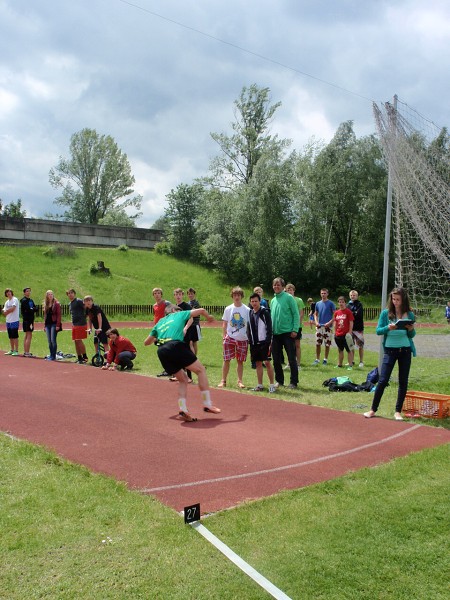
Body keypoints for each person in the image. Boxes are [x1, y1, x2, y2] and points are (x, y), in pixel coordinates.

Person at [144, 303, 220, 422]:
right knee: (201, 370)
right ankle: (207, 404)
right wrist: (209, 317)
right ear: (174, 310)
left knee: (183, 380)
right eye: (178, 310)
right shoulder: (179, 314)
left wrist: (159, 337)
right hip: (175, 345)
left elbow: (146, 342)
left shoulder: (159, 322)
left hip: (162, 351)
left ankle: (183, 409)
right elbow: (201, 310)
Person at [364, 287, 416, 421]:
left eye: (398, 299)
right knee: (383, 380)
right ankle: (372, 409)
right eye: (393, 299)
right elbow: (378, 331)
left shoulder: (409, 314)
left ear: (403, 299)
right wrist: (388, 327)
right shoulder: (385, 313)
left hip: (405, 350)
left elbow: (412, 335)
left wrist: (411, 329)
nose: (395, 302)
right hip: (390, 351)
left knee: (403, 381)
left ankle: (398, 411)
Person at [270, 277, 299, 389]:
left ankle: (293, 382)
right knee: (276, 359)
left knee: (291, 358)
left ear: (283, 287)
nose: (276, 287)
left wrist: (295, 329)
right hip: (275, 334)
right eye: (274, 285)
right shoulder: (273, 300)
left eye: (278, 285)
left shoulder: (289, 298)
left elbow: (295, 314)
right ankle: (280, 381)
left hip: (288, 333)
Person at [218, 287, 250, 389]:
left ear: (241, 296)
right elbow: (225, 323)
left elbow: (249, 325)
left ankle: (240, 381)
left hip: (242, 338)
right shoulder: (228, 309)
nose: (237, 297)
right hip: (230, 337)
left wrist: (248, 337)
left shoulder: (247, 310)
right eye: (235, 295)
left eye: (239, 295)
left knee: (240, 361)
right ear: (232, 296)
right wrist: (224, 336)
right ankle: (223, 380)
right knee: (226, 359)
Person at [247, 292, 276, 393]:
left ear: (259, 301)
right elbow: (249, 327)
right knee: (258, 363)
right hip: (254, 343)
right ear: (250, 302)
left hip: (264, 342)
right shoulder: (250, 313)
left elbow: (269, 327)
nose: (254, 303)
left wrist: (268, 340)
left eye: (256, 301)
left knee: (267, 362)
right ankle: (260, 385)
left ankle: (272, 385)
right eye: (252, 301)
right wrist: (250, 340)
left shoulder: (264, 312)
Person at [171, 288, 193, 382]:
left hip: (185, 334)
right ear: (174, 296)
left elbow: (191, 319)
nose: (178, 296)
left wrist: (185, 328)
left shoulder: (187, 306)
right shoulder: (173, 307)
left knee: (186, 354)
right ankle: (178, 375)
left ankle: (189, 377)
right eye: (176, 294)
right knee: (176, 354)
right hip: (176, 334)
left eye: (180, 294)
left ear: (182, 295)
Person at [313, 289, 335, 365]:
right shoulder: (318, 303)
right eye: (322, 293)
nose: (323, 295)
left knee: (327, 344)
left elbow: (335, 315)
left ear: (327, 294)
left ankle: (325, 359)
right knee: (318, 343)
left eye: (324, 293)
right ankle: (317, 359)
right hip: (319, 326)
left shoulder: (331, 303)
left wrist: (329, 323)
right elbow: (315, 314)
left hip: (328, 327)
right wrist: (316, 322)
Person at [285, 283, 305, 368]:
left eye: (291, 289)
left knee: (297, 345)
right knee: (289, 346)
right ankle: (289, 363)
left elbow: (301, 314)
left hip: (297, 327)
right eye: (288, 290)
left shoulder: (299, 300)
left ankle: (298, 364)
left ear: (294, 290)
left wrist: (296, 326)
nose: (290, 291)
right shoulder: (285, 300)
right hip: (288, 327)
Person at [152, 287, 171, 377]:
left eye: (158, 293)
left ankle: (171, 369)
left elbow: (172, 313)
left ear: (161, 294)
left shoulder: (166, 303)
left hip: (165, 329)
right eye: (155, 293)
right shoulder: (154, 305)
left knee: (167, 348)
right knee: (161, 348)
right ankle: (167, 368)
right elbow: (155, 316)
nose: (157, 295)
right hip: (158, 329)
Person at [66, 289, 88, 364]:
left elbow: (86, 308)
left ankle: (85, 356)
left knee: (79, 340)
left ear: (74, 294)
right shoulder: (70, 304)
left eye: (71, 293)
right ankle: (79, 357)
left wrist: (85, 316)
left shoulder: (78, 301)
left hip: (81, 323)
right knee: (75, 341)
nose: (70, 294)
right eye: (69, 293)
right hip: (74, 324)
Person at [333, 296, 355, 370]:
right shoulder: (336, 312)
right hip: (338, 334)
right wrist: (335, 332)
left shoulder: (348, 312)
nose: (341, 303)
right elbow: (335, 323)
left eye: (342, 302)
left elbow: (351, 322)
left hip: (346, 334)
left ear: (345, 303)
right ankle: (340, 364)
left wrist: (349, 332)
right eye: (340, 302)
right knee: (340, 349)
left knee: (349, 350)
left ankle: (350, 365)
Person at [43, 290, 62, 361]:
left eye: (51, 294)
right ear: (47, 296)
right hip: (48, 324)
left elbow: (59, 315)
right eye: (49, 294)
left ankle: (53, 356)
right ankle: (51, 355)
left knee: (53, 340)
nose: (50, 296)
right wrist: (44, 325)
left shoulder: (56, 304)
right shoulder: (46, 304)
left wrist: (58, 325)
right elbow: (45, 315)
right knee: (49, 341)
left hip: (54, 323)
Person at [348, 290, 365, 367]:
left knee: (360, 345)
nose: (352, 296)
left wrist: (352, 314)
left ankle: (361, 361)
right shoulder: (348, 305)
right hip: (350, 328)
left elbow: (358, 315)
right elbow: (348, 315)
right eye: (351, 295)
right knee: (351, 345)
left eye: (354, 295)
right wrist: (353, 313)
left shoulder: (359, 304)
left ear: (357, 296)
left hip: (359, 328)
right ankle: (352, 360)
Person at [20, 287, 39, 357]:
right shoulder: (24, 300)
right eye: (27, 291)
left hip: (30, 319)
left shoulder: (31, 300)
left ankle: (26, 351)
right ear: (24, 293)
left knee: (27, 335)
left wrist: (33, 309)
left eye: (29, 291)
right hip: (27, 320)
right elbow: (28, 310)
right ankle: (27, 352)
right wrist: (32, 309)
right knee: (29, 335)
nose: (28, 292)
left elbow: (35, 308)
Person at [3, 288, 20, 356]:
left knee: (15, 335)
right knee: (10, 336)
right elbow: (4, 311)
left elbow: (13, 309)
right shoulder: (7, 302)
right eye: (7, 292)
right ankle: (12, 349)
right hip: (8, 321)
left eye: (9, 292)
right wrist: (5, 312)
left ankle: (16, 350)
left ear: (11, 293)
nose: (8, 293)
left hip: (14, 320)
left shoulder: (15, 299)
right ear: (6, 294)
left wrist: (7, 312)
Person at [187, 287, 202, 355]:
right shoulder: (187, 303)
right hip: (189, 325)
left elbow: (192, 312)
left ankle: (195, 357)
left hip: (195, 325)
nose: (190, 295)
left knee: (194, 342)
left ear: (194, 294)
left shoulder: (196, 303)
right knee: (189, 342)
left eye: (192, 294)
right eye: (189, 294)